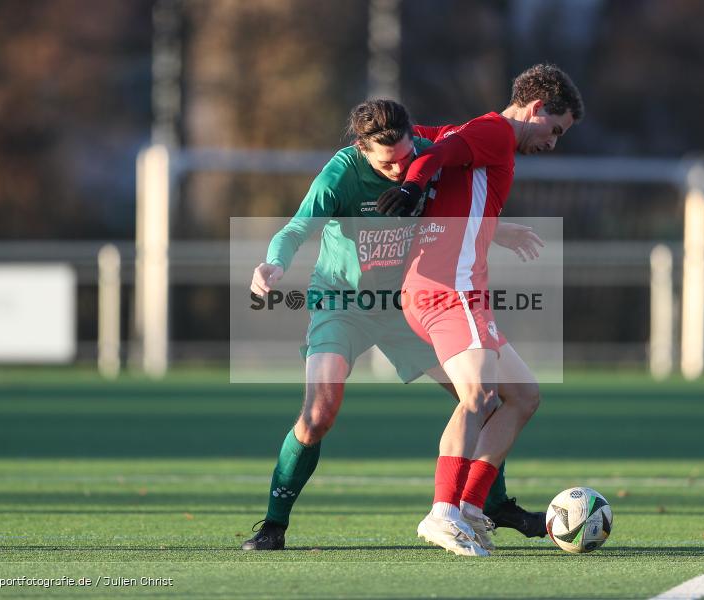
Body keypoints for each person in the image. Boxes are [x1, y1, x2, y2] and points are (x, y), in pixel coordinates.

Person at [242, 99, 549, 551]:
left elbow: (449, 211)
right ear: (362, 148)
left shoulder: (423, 159)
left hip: (407, 304)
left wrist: (498, 231)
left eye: (405, 158)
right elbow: (296, 228)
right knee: (319, 415)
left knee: (481, 397)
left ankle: (490, 503)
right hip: (343, 303)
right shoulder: (340, 175)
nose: (399, 170)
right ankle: (274, 523)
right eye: (386, 164)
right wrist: (273, 263)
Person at [377, 63, 584, 556]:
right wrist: (409, 186)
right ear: (536, 108)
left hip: (456, 290)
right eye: (555, 131)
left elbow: (423, 141)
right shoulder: (495, 132)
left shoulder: (477, 132)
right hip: (448, 289)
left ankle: (470, 507)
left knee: (523, 396)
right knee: (477, 395)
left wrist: (495, 229)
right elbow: (434, 156)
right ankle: (442, 513)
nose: (553, 143)